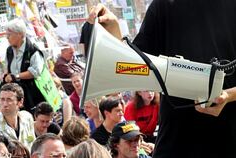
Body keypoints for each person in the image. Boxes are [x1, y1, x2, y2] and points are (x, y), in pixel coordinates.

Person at [88, 2, 236, 158]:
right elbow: (132, 68)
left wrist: (229, 96)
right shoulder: (164, 5)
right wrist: (113, 31)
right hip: (176, 143)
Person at [3, 18, 45, 113]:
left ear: (20, 34)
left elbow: (35, 72)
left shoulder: (33, 50)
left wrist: (16, 76)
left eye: (9, 34)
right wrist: (6, 76)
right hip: (15, 96)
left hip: (32, 96)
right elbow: (7, 68)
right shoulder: (9, 51)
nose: (7, 37)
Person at [0, 83, 36, 150]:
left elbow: (33, 145)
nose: (5, 104)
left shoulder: (27, 118)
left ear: (20, 102)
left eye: (9, 100)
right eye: (2, 99)